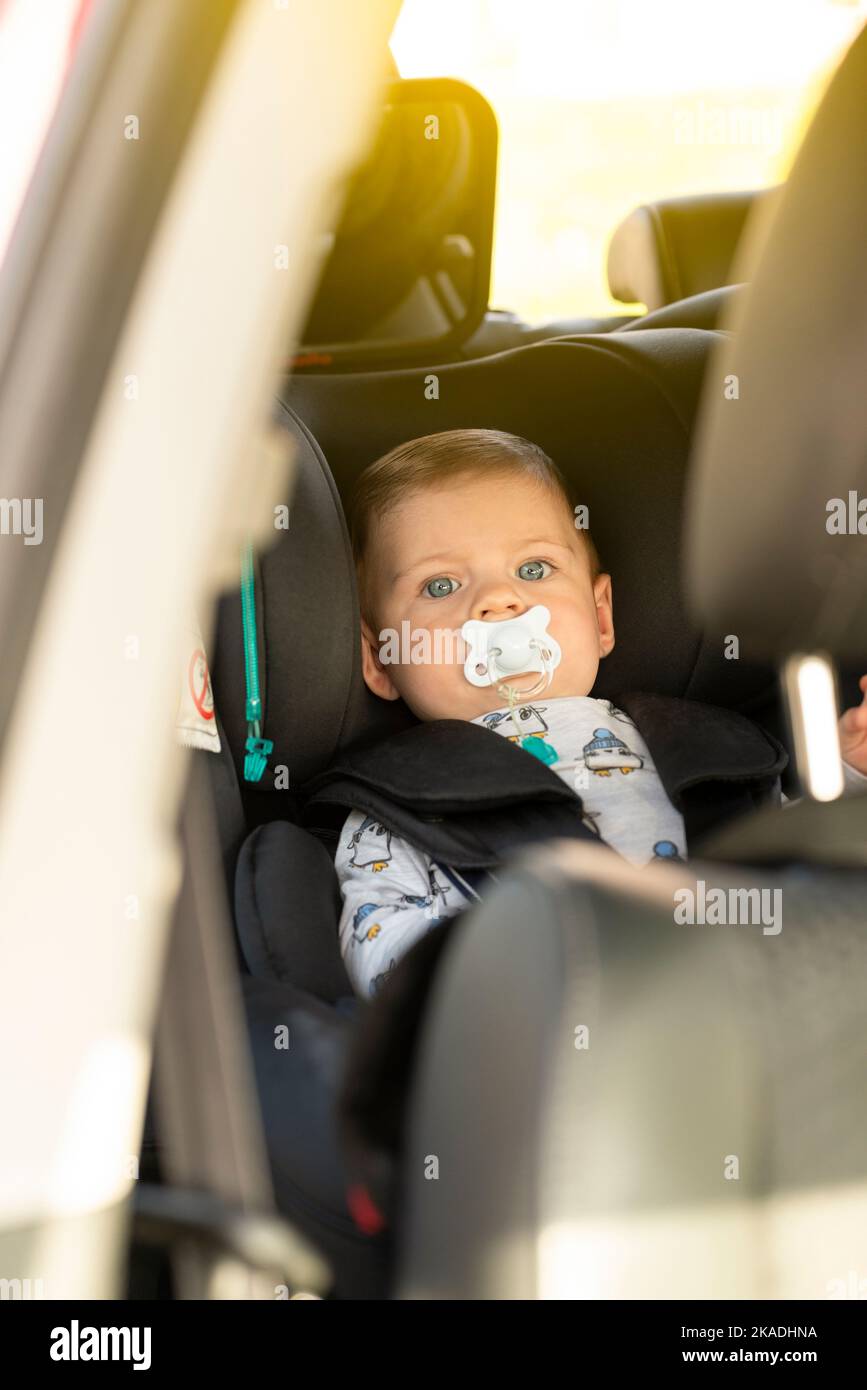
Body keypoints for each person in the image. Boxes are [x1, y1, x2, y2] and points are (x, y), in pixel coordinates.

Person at [330, 429, 867, 998]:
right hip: (573, 1029)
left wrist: (849, 774)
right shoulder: (398, 803)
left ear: (601, 615)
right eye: (440, 585)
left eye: (534, 570)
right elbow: (384, 951)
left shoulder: (695, 742)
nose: (499, 601)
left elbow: (783, 861)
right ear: (381, 658)